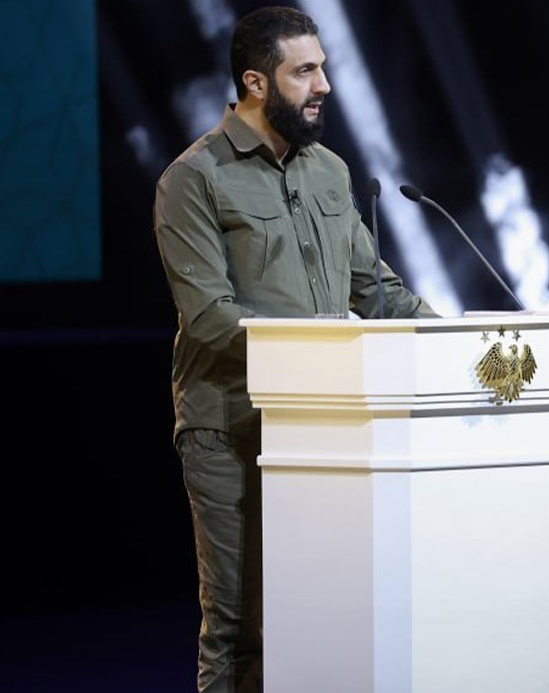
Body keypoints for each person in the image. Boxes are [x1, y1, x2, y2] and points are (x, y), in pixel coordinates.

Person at [152, 7, 439, 692]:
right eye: (304, 71)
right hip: (231, 428)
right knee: (238, 623)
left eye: (323, 68)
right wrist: (318, 357)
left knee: (315, 614)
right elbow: (211, 318)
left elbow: (377, 291)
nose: (324, 86)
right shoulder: (193, 178)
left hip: (324, 429)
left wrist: (456, 340)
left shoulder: (330, 172)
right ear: (256, 82)